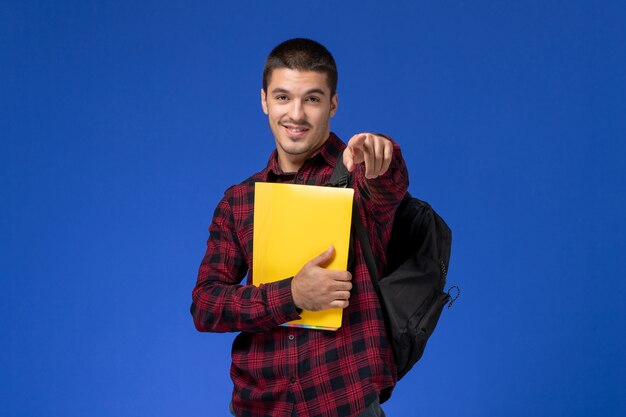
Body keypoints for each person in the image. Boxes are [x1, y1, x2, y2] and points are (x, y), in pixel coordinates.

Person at [191, 38, 409, 417]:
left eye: (311, 98)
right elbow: (206, 305)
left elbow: (388, 182)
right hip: (257, 406)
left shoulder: (360, 178)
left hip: (345, 404)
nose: (296, 114)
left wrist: (382, 150)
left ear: (333, 104)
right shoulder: (239, 200)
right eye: (282, 97)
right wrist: (291, 295)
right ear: (264, 101)